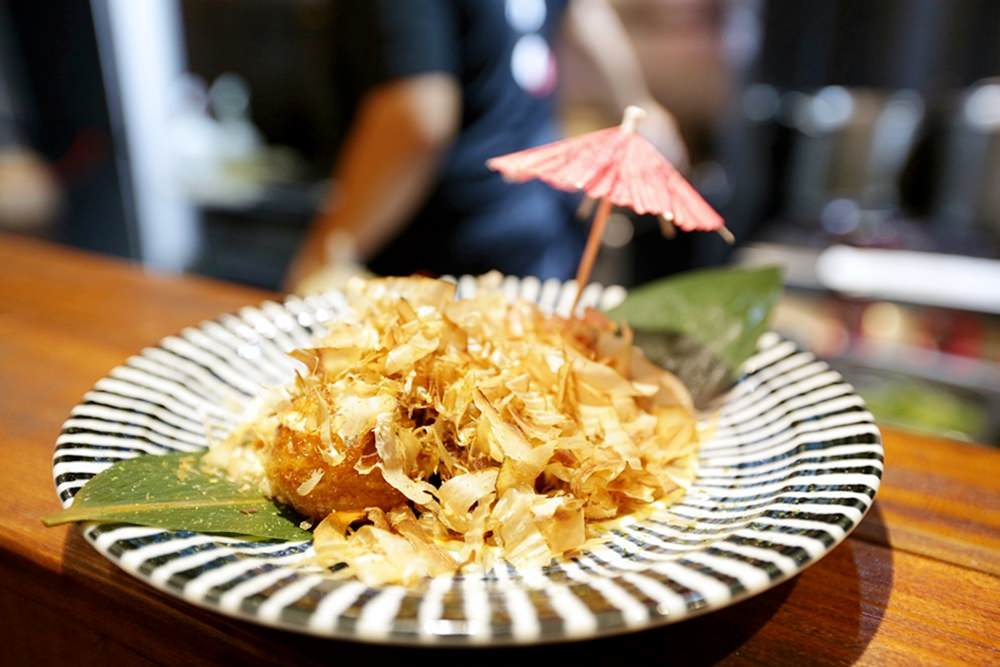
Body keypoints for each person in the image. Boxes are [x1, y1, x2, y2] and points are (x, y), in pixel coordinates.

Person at [286, 0, 687, 292]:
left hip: (447, 254)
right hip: (537, 225)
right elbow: (581, 13)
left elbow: (417, 118)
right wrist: (637, 101)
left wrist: (330, 248)